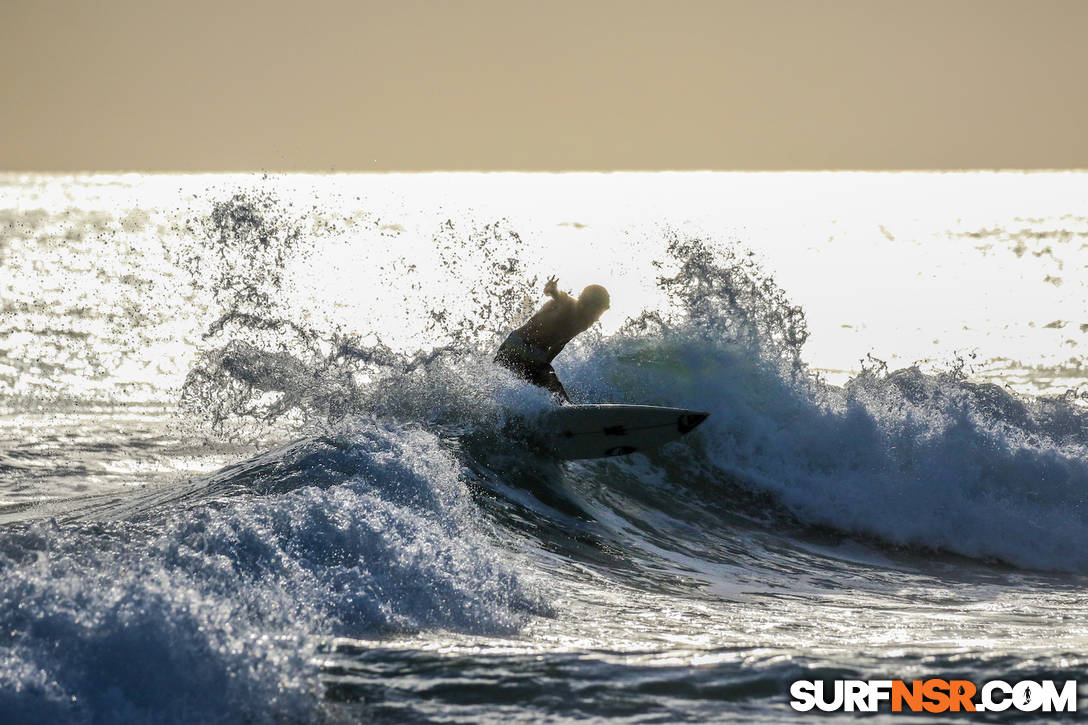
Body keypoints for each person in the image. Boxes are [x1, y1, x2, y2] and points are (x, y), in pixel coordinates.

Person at [494, 276, 610, 403]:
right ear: (585, 303)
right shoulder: (570, 305)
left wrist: (544, 363)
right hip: (518, 346)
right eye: (597, 311)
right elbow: (559, 296)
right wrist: (552, 289)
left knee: (552, 388)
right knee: (555, 390)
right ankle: (568, 411)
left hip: (531, 353)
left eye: (601, 313)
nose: (597, 317)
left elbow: (560, 345)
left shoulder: (584, 323)